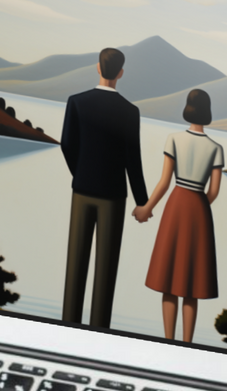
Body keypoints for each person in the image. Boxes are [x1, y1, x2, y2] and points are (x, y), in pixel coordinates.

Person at [60, 47, 150, 331]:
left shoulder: (76, 102)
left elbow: (67, 144)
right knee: (106, 271)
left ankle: (67, 326)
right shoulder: (130, 111)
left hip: (82, 191)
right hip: (113, 196)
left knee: (75, 265)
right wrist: (142, 201)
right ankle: (99, 331)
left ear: (97, 68)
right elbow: (133, 159)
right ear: (121, 73)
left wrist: (81, 173)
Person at [137, 90, 224, 343]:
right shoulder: (216, 148)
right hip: (199, 210)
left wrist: (147, 208)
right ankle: (187, 343)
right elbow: (214, 192)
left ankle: (168, 340)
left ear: (188, 108)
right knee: (191, 284)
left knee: (169, 279)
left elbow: (164, 182)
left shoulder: (173, 139)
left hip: (176, 206)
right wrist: (198, 208)